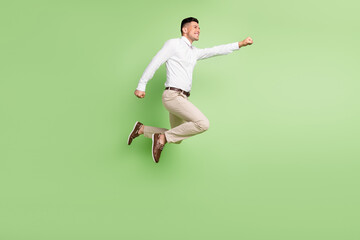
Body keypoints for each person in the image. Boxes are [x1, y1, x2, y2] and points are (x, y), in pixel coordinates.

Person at [128, 17, 253, 163]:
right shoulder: (173, 44)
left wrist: (240, 44)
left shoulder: (194, 52)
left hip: (182, 98)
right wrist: (141, 85)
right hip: (172, 96)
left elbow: (214, 50)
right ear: (184, 29)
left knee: (177, 137)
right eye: (195, 27)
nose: (198, 30)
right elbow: (155, 62)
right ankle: (161, 138)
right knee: (202, 123)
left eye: (199, 28)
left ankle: (142, 129)